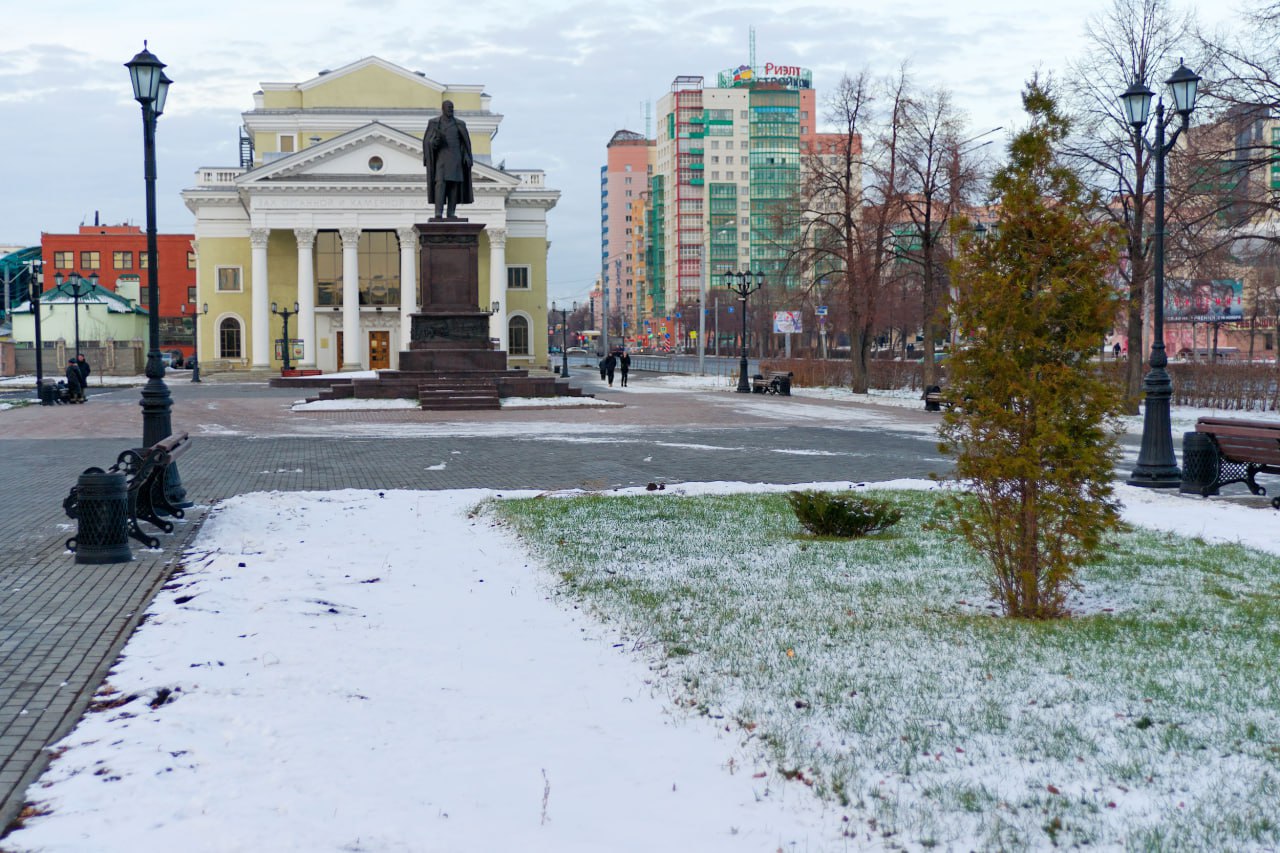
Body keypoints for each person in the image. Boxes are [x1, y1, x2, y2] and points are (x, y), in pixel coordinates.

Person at [423, 100, 474, 220]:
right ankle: (438, 212)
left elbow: (465, 143)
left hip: (456, 158)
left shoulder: (459, 124)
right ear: (443, 109)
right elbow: (427, 142)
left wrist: (467, 156)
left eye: (452, 107)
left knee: (453, 185)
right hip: (441, 158)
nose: (451, 109)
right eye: (448, 107)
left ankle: (451, 212)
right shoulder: (434, 123)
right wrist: (434, 143)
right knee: (440, 183)